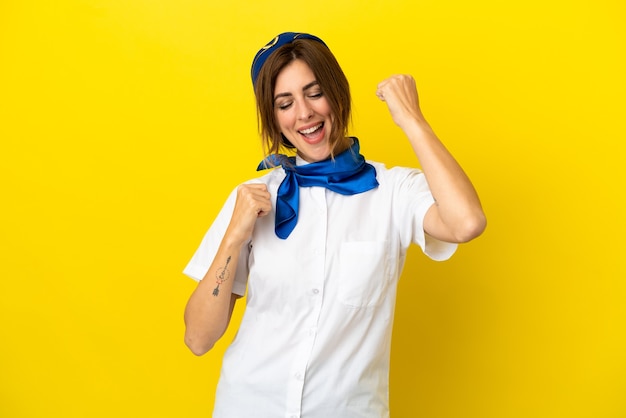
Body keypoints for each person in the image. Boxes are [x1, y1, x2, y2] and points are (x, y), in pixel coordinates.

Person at [183, 32, 486, 418]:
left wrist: (411, 119)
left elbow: (467, 223)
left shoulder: (393, 191)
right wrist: (233, 239)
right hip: (248, 406)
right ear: (274, 119)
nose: (304, 113)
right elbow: (197, 338)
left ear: (337, 93)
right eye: (285, 103)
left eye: (314, 92)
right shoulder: (254, 197)